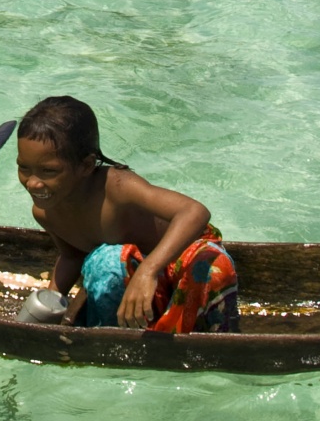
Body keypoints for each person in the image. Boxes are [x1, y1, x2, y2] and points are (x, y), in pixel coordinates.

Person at [14, 96, 240, 333]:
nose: (32, 183)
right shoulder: (45, 213)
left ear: (86, 166)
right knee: (105, 263)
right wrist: (50, 300)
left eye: (48, 171)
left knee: (213, 265)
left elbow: (195, 212)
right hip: (138, 282)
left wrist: (149, 270)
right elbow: (72, 256)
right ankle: (119, 337)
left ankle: (206, 335)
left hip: (180, 261)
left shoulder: (117, 187)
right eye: (23, 168)